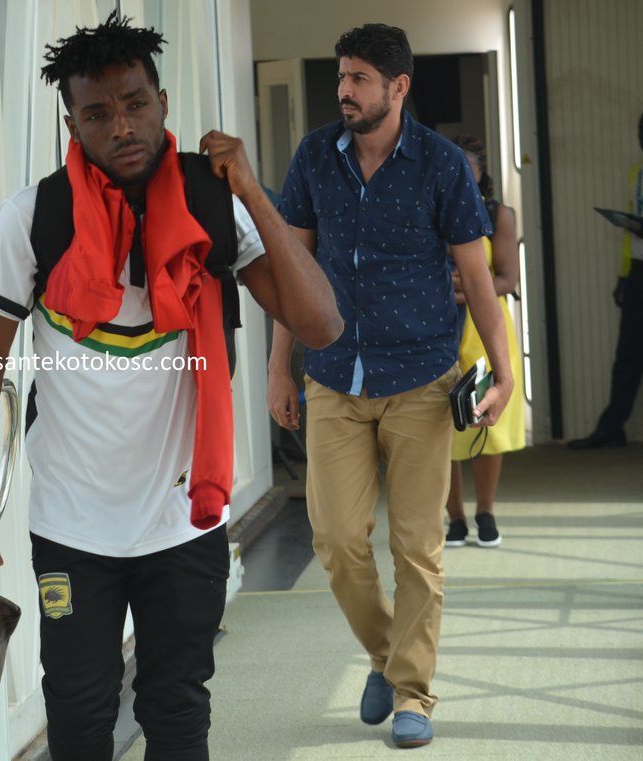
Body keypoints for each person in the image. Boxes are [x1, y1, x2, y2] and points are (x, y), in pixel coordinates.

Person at [0, 12, 341, 761]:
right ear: (72, 124)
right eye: (97, 113)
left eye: (135, 104)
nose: (121, 126)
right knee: (79, 717)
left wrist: (254, 193)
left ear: (163, 103)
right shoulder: (34, 217)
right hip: (72, 524)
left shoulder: (212, 204)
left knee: (178, 709)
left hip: (183, 519)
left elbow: (320, 325)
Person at [266, 24, 513, 749]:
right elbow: (291, 273)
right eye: (342, 76)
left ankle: (413, 693)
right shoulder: (315, 155)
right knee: (337, 540)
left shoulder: (441, 164)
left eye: (360, 79)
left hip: (420, 381)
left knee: (417, 548)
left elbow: (477, 278)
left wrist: (502, 372)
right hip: (333, 376)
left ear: (398, 87)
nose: (344, 90)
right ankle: (385, 654)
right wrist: (279, 367)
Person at [445, 135, 526, 549]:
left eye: (466, 168)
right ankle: (455, 519)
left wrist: (466, 291)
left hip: (485, 330)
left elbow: (507, 279)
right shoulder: (428, 208)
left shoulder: (498, 215)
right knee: (441, 429)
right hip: (440, 328)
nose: (458, 176)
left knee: (486, 424)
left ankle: (486, 512)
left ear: (480, 173)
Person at [568, 112, 643, 449]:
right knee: (628, 354)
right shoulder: (637, 173)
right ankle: (612, 427)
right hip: (638, 272)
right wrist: (623, 276)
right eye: (640, 132)